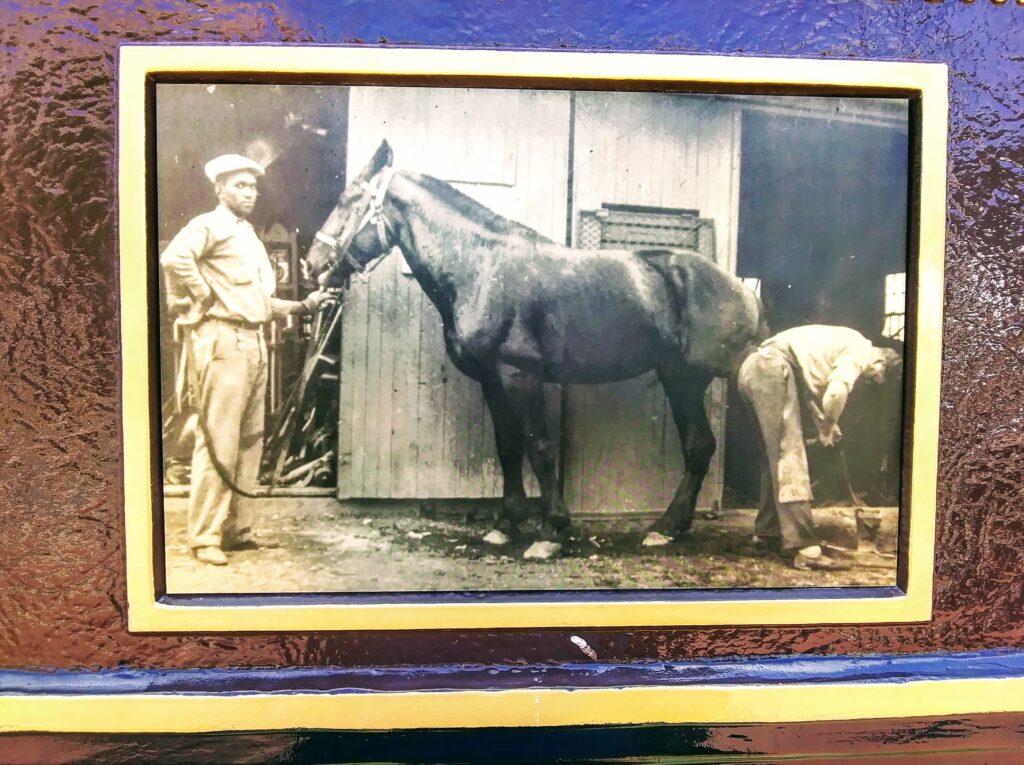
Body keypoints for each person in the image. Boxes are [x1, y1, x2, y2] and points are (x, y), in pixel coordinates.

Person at [161, 154, 326, 566]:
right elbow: (173, 259)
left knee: (250, 441)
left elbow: (258, 303)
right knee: (218, 440)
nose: (249, 193)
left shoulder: (250, 236)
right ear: (219, 189)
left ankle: (236, 529)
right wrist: (203, 295)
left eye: (252, 187)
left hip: (254, 341)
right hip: (223, 340)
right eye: (239, 186)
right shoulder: (208, 225)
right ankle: (203, 537)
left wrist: (304, 305)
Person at [736, 325, 901, 571]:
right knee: (790, 454)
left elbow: (807, 388)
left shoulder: (842, 343)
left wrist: (825, 425)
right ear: (882, 363)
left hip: (753, 368)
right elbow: (835, 393)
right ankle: (805, 549)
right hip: (772, 369)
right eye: (875, 378)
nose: (869, 381)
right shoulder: (861, 351)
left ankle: (768, 532)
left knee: (771, 458)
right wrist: (827, 427)